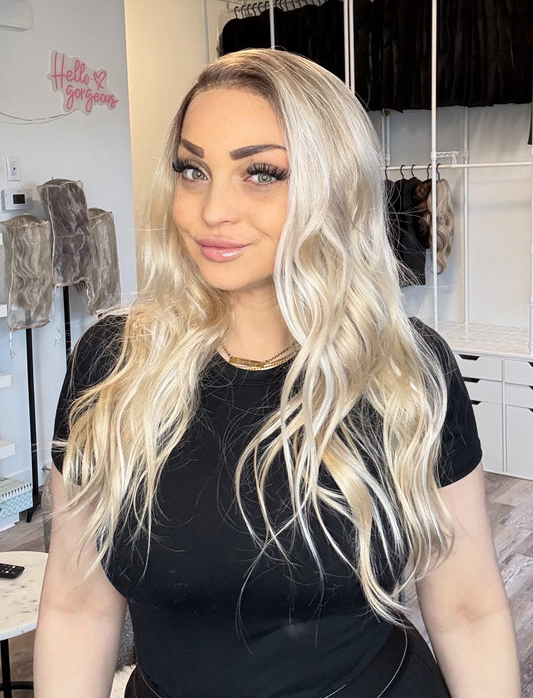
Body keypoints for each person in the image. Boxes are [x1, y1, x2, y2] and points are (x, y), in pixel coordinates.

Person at [34, 49, 520, 698]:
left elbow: (467, 610)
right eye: (192, 169)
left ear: (332, 187)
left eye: (260, 173)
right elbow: (77, 607)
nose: (211, 210)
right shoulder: (112, 366)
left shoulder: (407, 371)